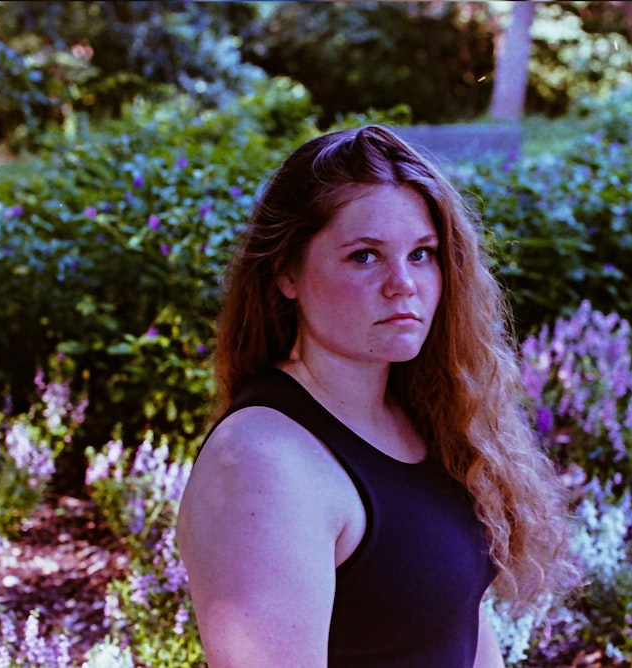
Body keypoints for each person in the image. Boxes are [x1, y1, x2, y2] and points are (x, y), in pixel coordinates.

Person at [176, 125, 576, 667]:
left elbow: (457, 624)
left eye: (422, 254)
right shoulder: (262, 466)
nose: (402, 284)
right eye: (365, 256)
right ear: (286, 271)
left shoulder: (423, 416)